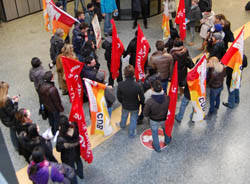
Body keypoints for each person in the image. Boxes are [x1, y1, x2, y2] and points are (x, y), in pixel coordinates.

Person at [117, 65, 145, 138]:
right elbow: (142, 97)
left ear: (124, 74)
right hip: (135, 105)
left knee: (124, 116)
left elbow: (118, 96)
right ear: (133, 73)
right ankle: (132, 133)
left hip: (125, 104)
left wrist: (122, 102)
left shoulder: (120, 84)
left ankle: (122, 125)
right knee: (133, 119)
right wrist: (141, 103)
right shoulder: (138, 85)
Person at [143, 80, 170, 152]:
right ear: (161, 88)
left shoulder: (150, 101)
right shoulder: (167, 98)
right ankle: (167, 141)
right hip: (164, 118)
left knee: (154, 133)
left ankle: (157, 147)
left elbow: (145, 113)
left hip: (154, 120)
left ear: (152, 89)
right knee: (166, 130)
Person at [56, 115, 84, 182]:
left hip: (68, 156)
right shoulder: (74, 126)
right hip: (76, 150)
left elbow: (58, 149)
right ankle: (80, 173)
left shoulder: (60, 136)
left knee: (71, 170)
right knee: (78, 160)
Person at [38, 71, 64, 135]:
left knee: (51, 119)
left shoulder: (41, 86)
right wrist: (61, 108)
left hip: (47, 106)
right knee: (56, 120)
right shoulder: (52, 89)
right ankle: (56, 132)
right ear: (51, 78)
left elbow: (40, 98)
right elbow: (56, 101)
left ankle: (52, 129)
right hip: (54, 108)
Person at [0, 81, 19, 150]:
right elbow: (12, 112)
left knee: (12, 130)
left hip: (5, 120)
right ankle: (17, 146)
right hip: (11, 120)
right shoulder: (6, 100)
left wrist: (11, 100)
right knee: (13, 131)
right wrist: (16, 103)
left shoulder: (2, 99)